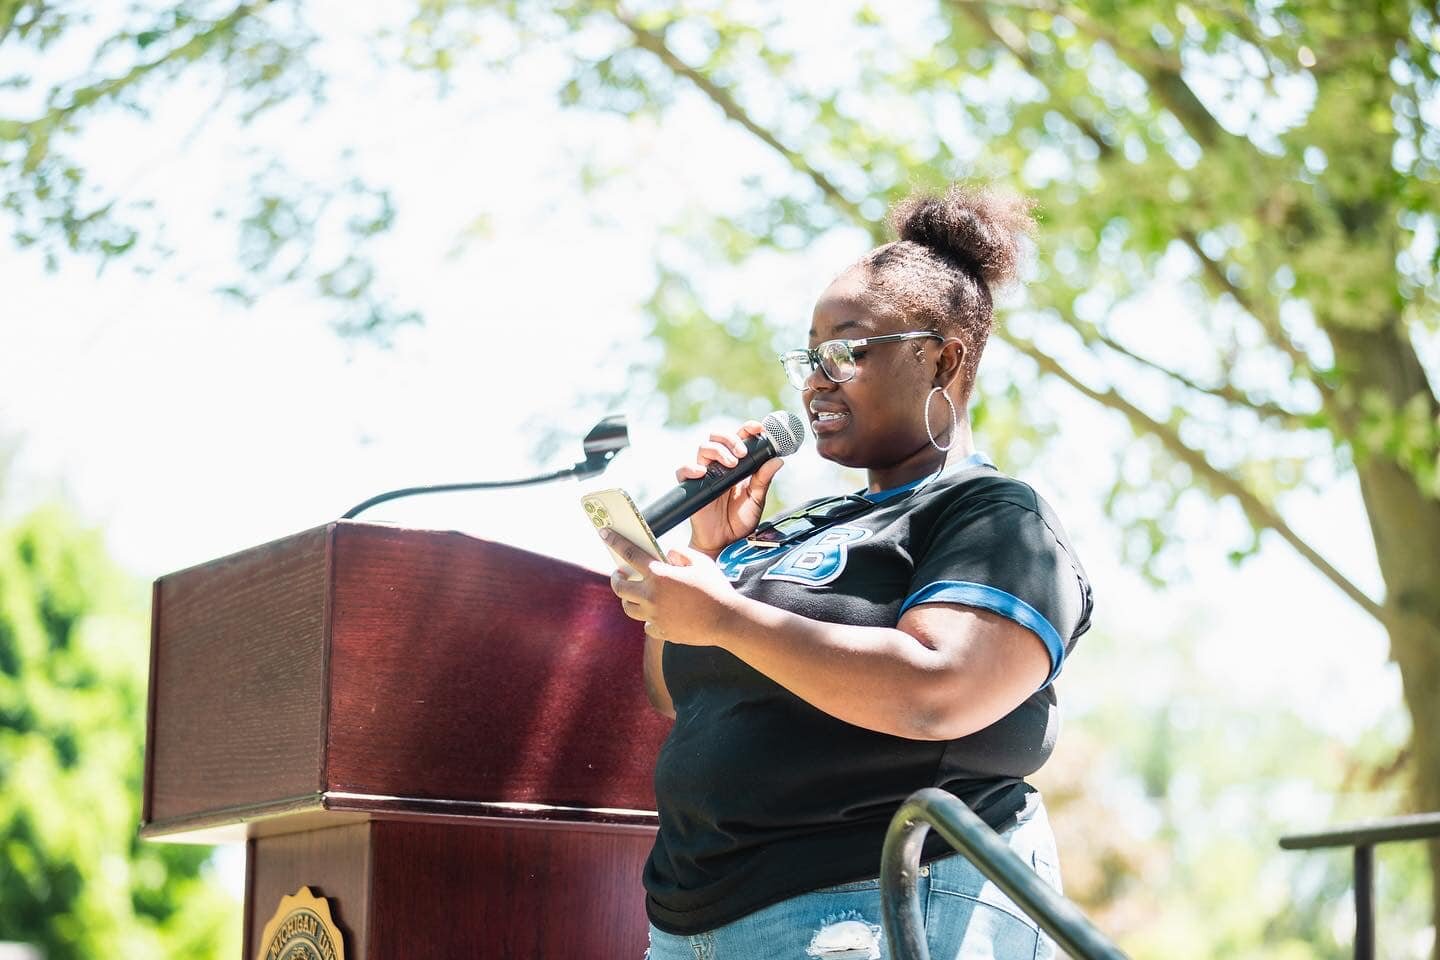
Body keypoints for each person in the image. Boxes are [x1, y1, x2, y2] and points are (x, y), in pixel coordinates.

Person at [605, 183, 1093, 960]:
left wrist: (730, 616)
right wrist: (711, 552)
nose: (814, 379)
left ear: (940, 357)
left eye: (845, 351)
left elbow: (940, 689)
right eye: (809, 355)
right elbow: (675, 693)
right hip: (693, 926)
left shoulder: (993, 514)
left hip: (873, 910)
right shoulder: (794, 529)